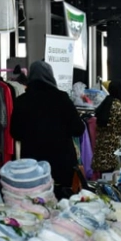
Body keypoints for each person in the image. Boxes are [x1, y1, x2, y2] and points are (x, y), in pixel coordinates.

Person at [10, 61, 85, 196]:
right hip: (61, 164)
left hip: (33, 167)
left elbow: (15, 133)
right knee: (62, 204)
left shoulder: (22, 101)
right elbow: (78, 129)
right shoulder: (61, 98)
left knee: (36, 207)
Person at [92, 80, 121, 173]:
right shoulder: (117, 106)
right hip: (112, 152)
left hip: (101, 150)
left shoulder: (105, 102)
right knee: (110, 179)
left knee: (104, 177)